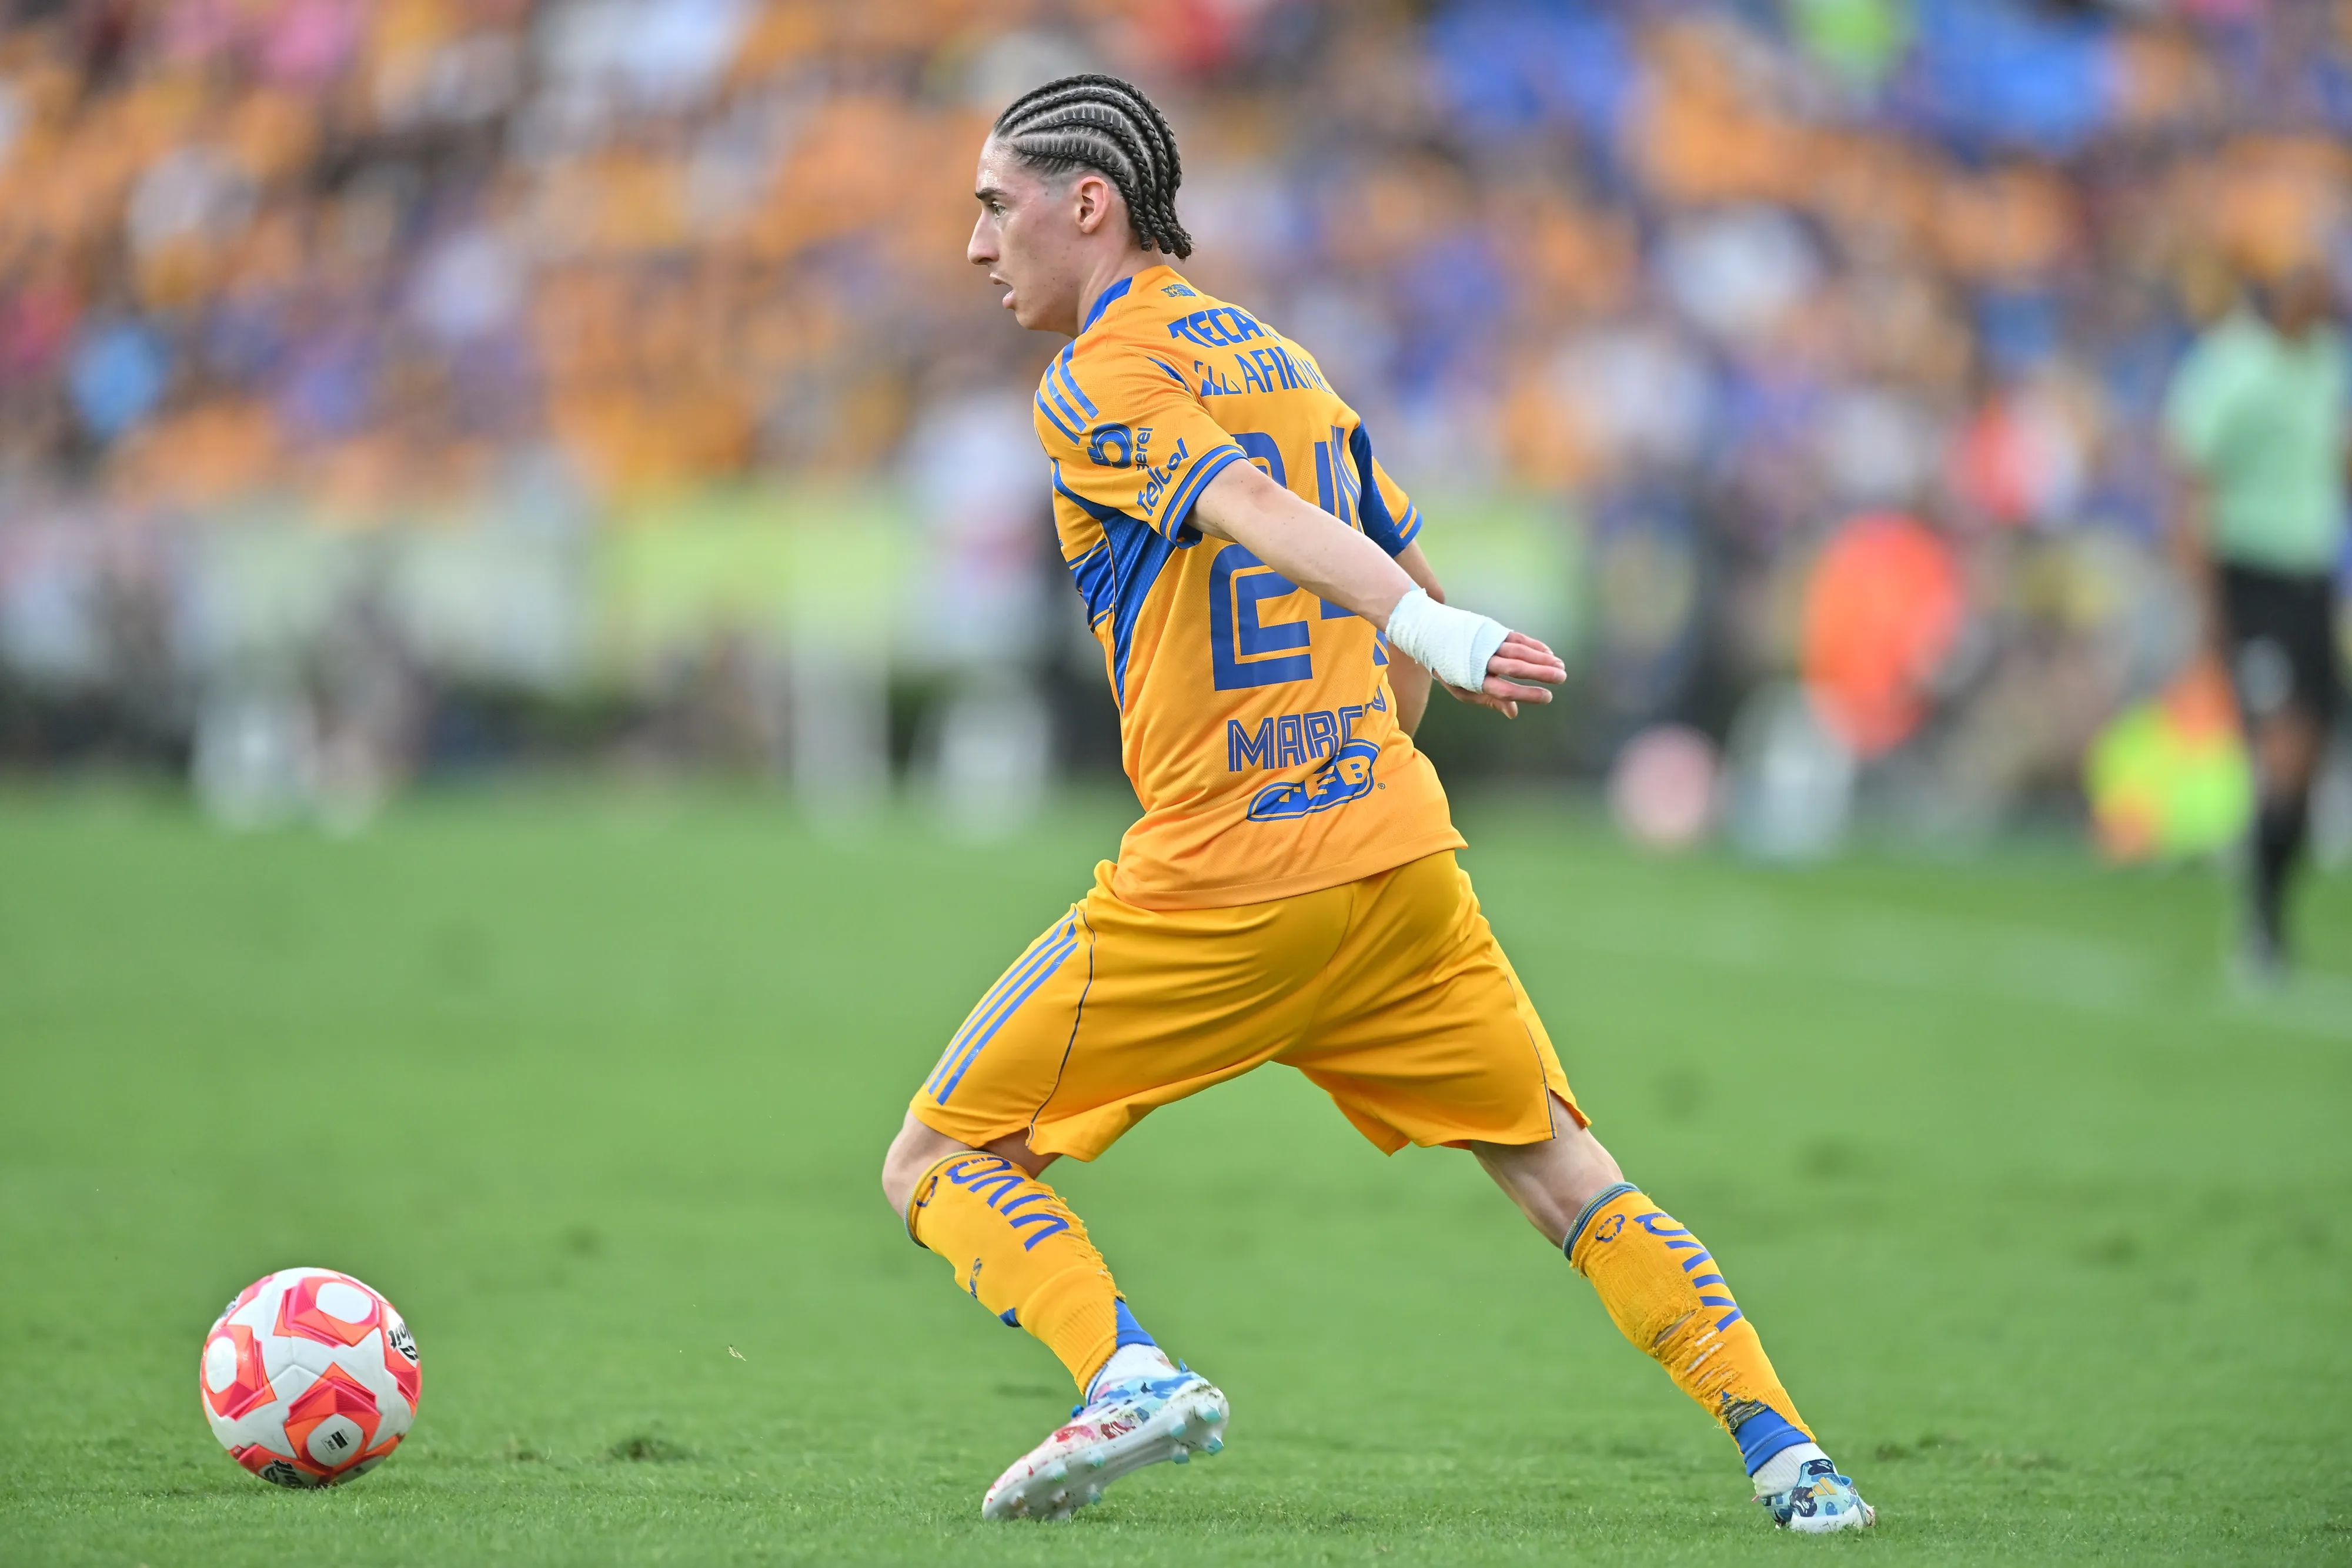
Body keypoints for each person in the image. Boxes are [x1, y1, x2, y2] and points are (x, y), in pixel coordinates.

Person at [878, 73, 1875, 1534]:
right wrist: (1391, 703)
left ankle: (1126, 1372)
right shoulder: (1287, 361)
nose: (975, 244)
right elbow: (1390, 571)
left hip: (1221, 880)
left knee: (938, 1154)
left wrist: (1423, 636)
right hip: (1397, 864)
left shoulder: (1093, 378)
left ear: (1085, 205)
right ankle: (1788, 1453)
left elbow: (1261, 518)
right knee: (1561, 1170)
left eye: (991, 206)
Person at [2164, 265, 2349, 978]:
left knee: (2312, 751)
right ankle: (2261, 925)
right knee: (2282, 746)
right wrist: (2205, 600)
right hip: (2252, 575)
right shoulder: (2233, 367)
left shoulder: (2325, 365)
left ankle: (2269, 916)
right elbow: (2193, 475)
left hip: (2310, 577)